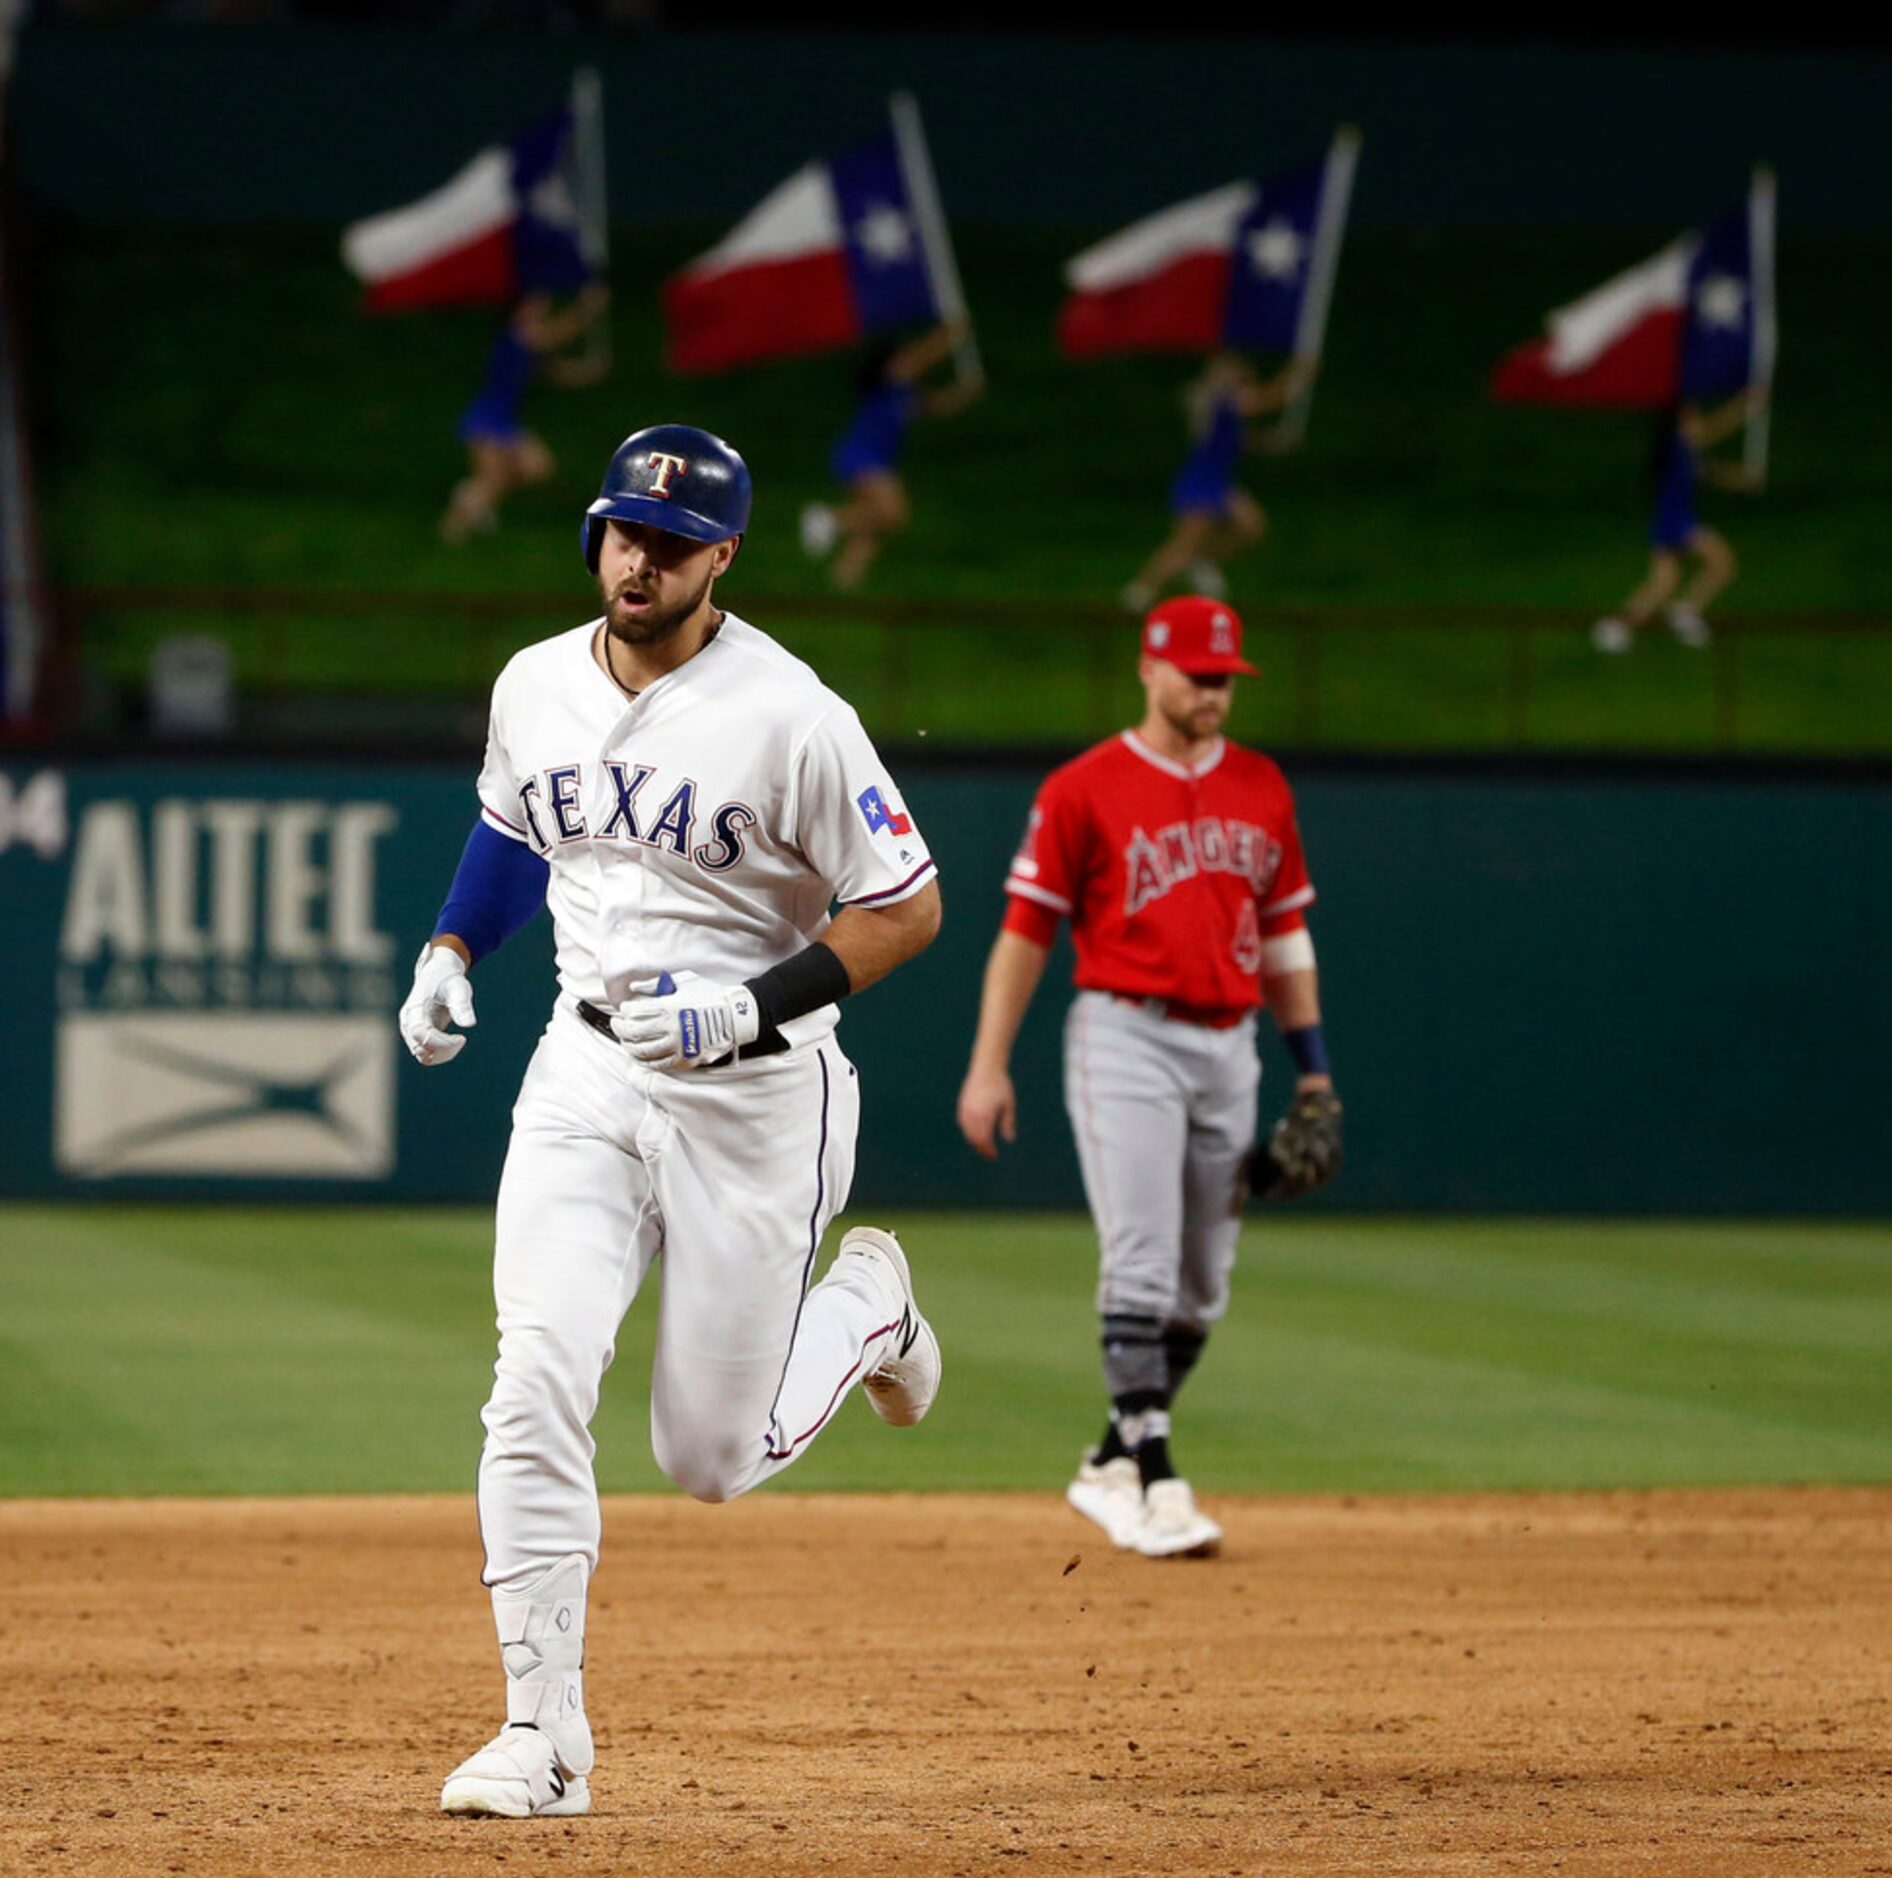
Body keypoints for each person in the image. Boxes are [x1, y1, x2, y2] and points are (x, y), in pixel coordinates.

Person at [400, 422, 944, 1818]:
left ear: (722, 557)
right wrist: (453, 950)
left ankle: (866, 1307)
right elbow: (517, 828)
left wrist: (748, 1006)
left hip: (757, 1095)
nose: (634, 557)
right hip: (582, 1076)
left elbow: (905, 903)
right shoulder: (534, 682)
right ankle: (540, 1732)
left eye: (667, 539)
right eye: (618, 529)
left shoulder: (789, 711)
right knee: (534, 1368)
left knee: (706, 1459)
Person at [954, 596, 1337, 1559]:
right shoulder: (1084, 787)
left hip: (1231, 1042)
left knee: (1202, 1286)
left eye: (1224, 678)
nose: (1213, 692)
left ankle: (1108, 1460)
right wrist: (988, 1063)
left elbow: (1286, 935)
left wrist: (1313, 1076)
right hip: (1125, 1037)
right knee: (1142, 1258)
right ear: (1150, 668)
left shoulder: (1261, 786)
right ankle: (1160, 1479)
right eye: (1198, 675)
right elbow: (1024, 930)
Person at [1120, 351, 1313, 614]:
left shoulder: (1228, 405)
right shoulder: (1220, 398)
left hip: (1220, 482)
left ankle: (1200, 560)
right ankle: (1141, 590)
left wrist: (1276, 441)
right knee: (1184, 543)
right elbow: (1272, 398)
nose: (1239, 376)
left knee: (1251, 528)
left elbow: (1243, 443)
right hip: (1200, 480)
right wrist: (1301, 373)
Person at [799, 318, 981, 589]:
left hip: (875, 457)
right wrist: (951, 335)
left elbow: (937, 407)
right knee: (894, 513)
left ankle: (846, 577)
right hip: (861, 455)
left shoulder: (904, 397)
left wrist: (967, 393)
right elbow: (921, 357)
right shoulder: (887, 385)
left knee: (875, 520)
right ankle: (829, 519)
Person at [1591, 387, 1766, 653]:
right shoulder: (1675, 448)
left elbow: (1712, 472)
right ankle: (1684, 612)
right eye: (1692, 419)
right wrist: (1745, 406)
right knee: (1721, 563)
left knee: (1663, 583)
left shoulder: (1687, 453)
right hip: (1678, 522)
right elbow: (1713, 430)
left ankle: (1618, 626)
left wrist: (1744, 479)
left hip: (1669, 521)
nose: (1698, 424)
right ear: (1679, 424)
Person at [440, 282, 611, 544]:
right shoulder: (517, 335)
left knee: (537, 468)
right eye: (534, 303)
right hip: (487, 418)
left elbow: (556, 373)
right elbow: (556, 334)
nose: (541, 306)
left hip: (506, 421)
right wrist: (588, 309)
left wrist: (588, 371)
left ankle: (472, 495)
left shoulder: (527, 345)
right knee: (493, 479)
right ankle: (452, 533)